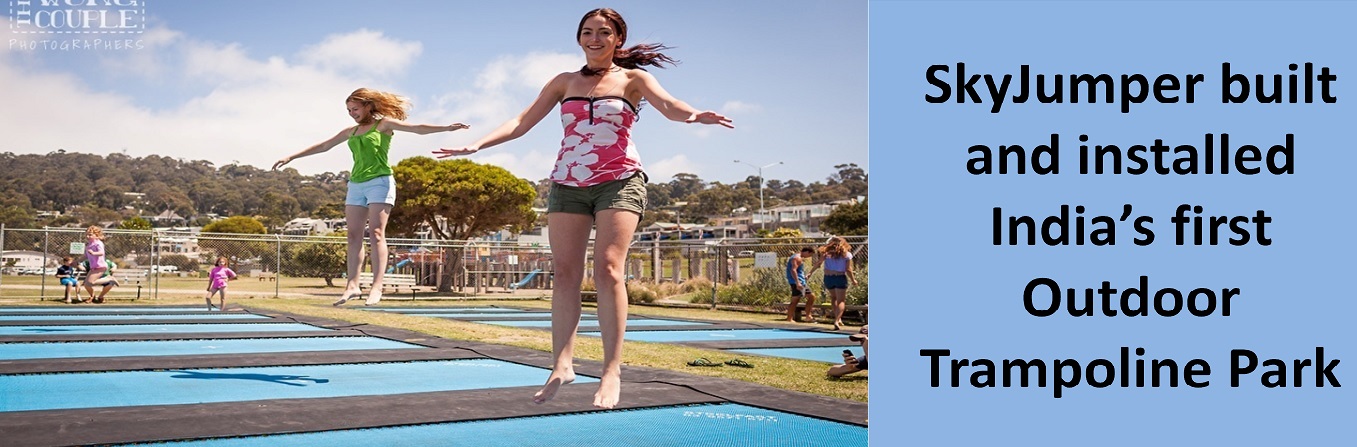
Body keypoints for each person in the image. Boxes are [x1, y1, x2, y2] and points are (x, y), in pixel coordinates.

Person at [433, 8, 732, 409]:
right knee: (566, 273)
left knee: (608, 269)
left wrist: (694, 116)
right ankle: (562, 363)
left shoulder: (633, 79)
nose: (595, 38)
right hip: (567, 183)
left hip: (619, 179)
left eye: (604, 32)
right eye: (587, 32)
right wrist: (477, 144)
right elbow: (521, 121)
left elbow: (669, 104)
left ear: (618, 39)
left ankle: (611, 370)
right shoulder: (564, 81)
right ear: (579, 38)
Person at [272, 88, 469, 306]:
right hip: (356, 184)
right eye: (348, 110)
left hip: (380, 182)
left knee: (376, 233)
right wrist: (291, 156)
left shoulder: (383, 124)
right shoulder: (351, 131)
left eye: (355, 109)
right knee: (353, 235)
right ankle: (352, 286)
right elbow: (324, 146)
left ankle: (377, 287)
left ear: (368, 105)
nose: (351, 113)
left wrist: (447, 127)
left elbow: (417, 129)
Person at [808, 236, 858, 330]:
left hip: (828, 278)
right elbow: (848, 269)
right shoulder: (846, 255)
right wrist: (853, 280)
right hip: (840, 277)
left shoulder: (826, 253)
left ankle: (838, 319)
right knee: (841, 300)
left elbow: (818, 263)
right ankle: (837, 320)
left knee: (833, 297)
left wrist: (810, 273)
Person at [83, 226, 119, 301]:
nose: (87, 236)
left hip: (100, 266)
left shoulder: (98, 243)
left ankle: (110, 279)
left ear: (96, 235)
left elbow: (101, 253)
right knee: (86, 284)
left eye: (90, 235)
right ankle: (92, 296)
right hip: (93, 267)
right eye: (87, 234)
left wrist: (93, 253)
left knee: (91, 282)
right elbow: (86, 255)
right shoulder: (89, 244)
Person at [785, 247, 816, 322]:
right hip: (798, 283)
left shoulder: (796, 257)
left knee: (796, 299)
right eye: (810, 255)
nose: (809, 257)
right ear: (807, 252)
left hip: (799, 281)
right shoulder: (797, 258)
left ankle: (790, 318)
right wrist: (797, 282)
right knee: (811, 297)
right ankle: (807, 316)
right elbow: (793, 270)